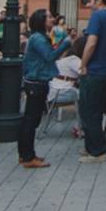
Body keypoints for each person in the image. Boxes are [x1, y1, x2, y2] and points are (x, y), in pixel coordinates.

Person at [19, 9, 72, 169]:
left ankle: (25, 154)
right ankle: (28, 157)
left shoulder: (38, 38)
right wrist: (66, 44)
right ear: (41, 20)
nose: (52, 18)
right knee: (31, 120)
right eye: (48, 16)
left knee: (31, 119)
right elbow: (50, 57)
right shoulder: (38, 39)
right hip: (37, 82)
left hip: (36, 81)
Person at [79, 0, 106, 163]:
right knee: (95, 109)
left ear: (99, 1)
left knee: (89, 111)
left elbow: (91, 42)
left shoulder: (97, 17)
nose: (88, 5)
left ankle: (97, 151)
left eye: (89, 1)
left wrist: (83, 64)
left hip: (95, 70)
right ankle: (92, 146)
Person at [49, 36, 85, 138]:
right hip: (62, 92)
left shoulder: (67, 59)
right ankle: (80, 127)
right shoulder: (74, 60)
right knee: (87, 97)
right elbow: (84, 72)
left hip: (55, 91)